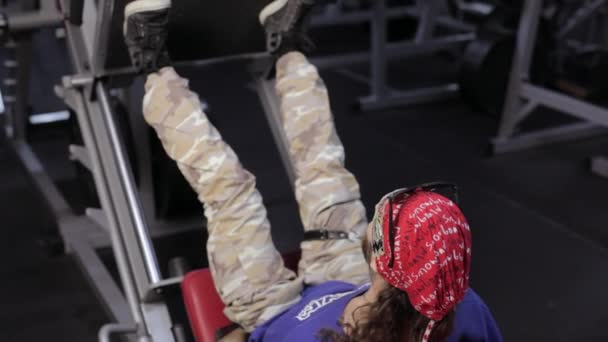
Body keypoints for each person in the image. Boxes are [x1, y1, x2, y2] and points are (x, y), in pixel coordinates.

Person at [123, 0, 502, 341]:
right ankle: (287, 44)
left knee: (228, 188)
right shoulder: (461, 305)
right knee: (324, 167)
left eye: (388, 220)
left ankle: (152, 66)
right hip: (346, 278)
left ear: (381, 260)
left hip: (270, 310)